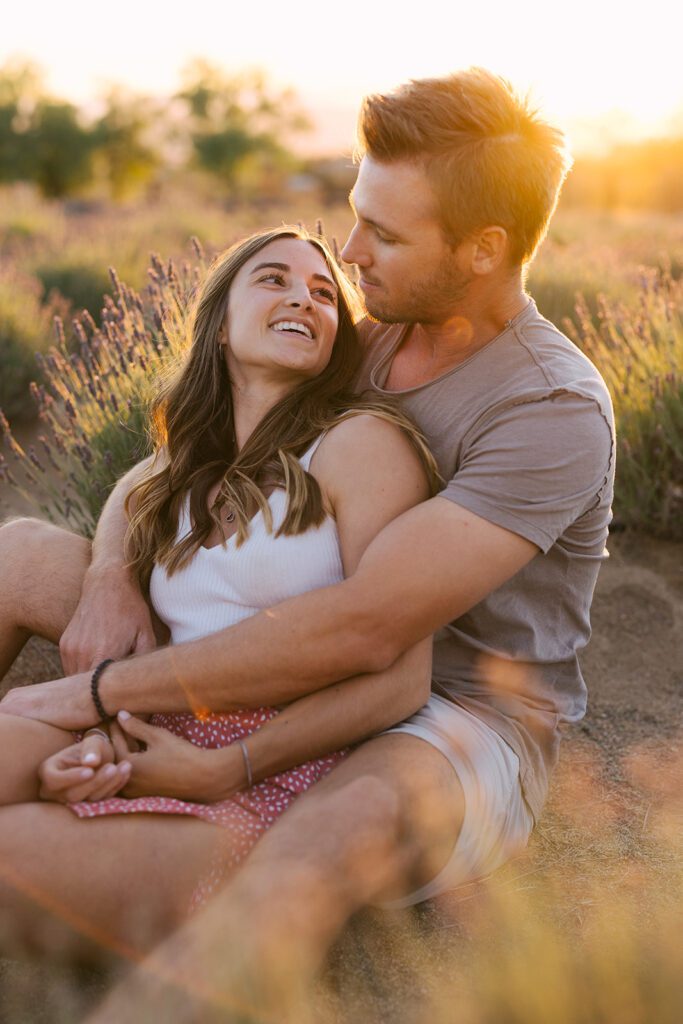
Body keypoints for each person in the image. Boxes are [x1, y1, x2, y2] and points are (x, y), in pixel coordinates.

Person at [0, 67, 614, 1018]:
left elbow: (372, 633)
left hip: (452, 707)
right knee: (25, 552)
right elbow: (163, 463)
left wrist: (103, 693)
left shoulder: (547, 408)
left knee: (343, 819)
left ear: (484, 249)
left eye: (387, 234)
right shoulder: (359, 334)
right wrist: (115, 577)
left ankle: (209, 958)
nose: (352, 251)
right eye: (355, 214)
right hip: (273, 629)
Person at [0, 224, 439, 932]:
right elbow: (132, 487)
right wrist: (109, 579)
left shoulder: (358, 444)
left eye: (324, 293)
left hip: (275, 768)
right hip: (144, 729)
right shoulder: (189, 458)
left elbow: (402, 678)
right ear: (221, 327)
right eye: (274, 279)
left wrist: (229, 763)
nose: (306, 297)